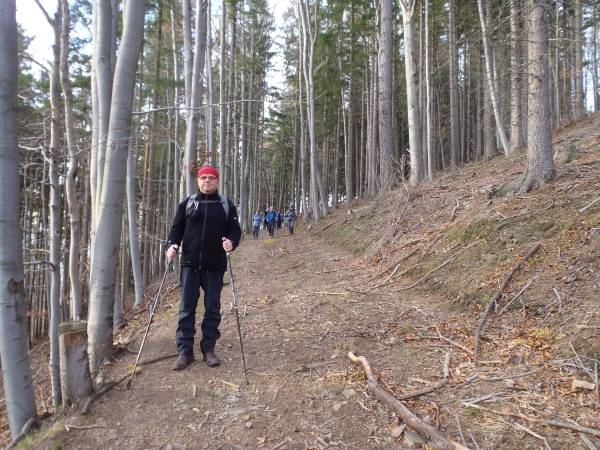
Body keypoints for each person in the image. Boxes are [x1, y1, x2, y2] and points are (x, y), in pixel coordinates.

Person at [165, 165, 242, 371]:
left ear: (217, 181)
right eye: (203, 178)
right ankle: (185, 352)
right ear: (198, 181)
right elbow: (176, 229)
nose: (207, 181)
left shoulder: (226, 205)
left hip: (215, 265)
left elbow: (235, 230)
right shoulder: (187, 204)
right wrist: (171, 245)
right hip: (190, 264)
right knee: (186, 308)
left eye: (211, 178)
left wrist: (231, 243)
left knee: (212, 308)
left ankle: (209, 349)